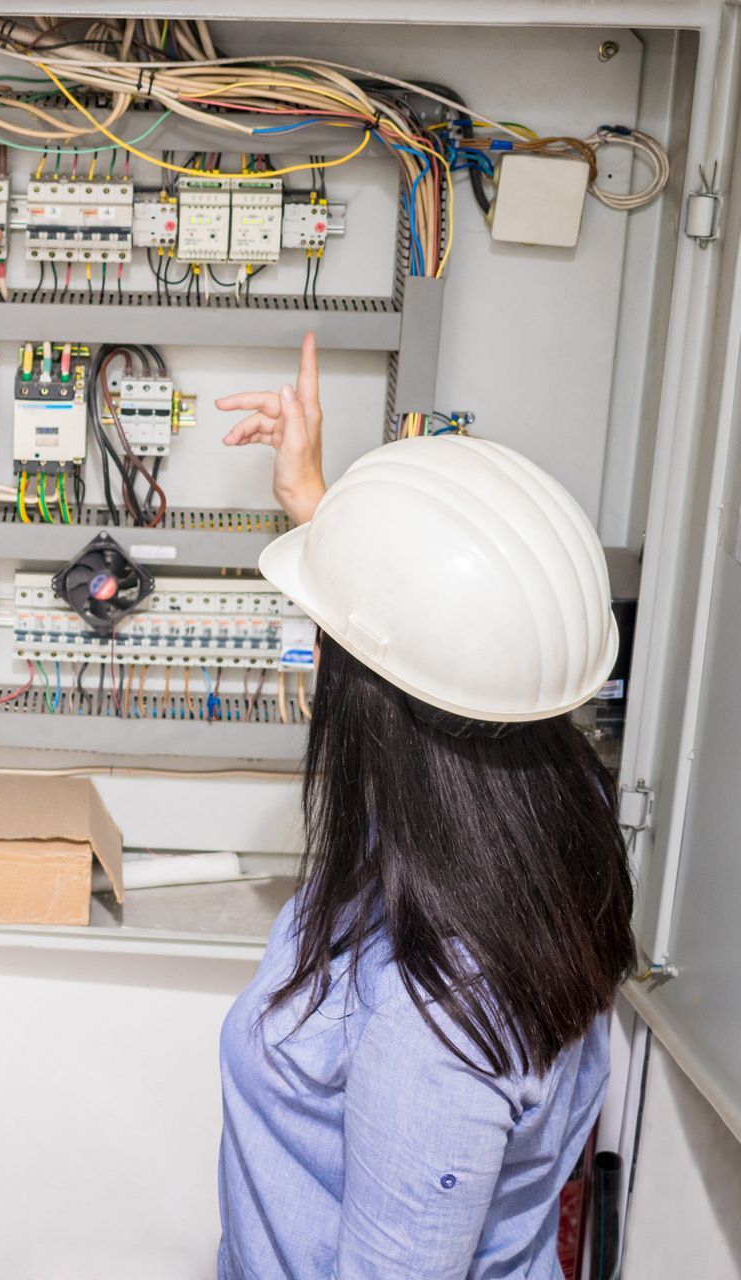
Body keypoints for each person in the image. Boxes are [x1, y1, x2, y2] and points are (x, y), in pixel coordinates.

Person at [214, 339, 636, 1278]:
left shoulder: (433, 1032)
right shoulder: (551, 813)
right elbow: (447, 659)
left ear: (372, 712)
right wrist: (321, 511)